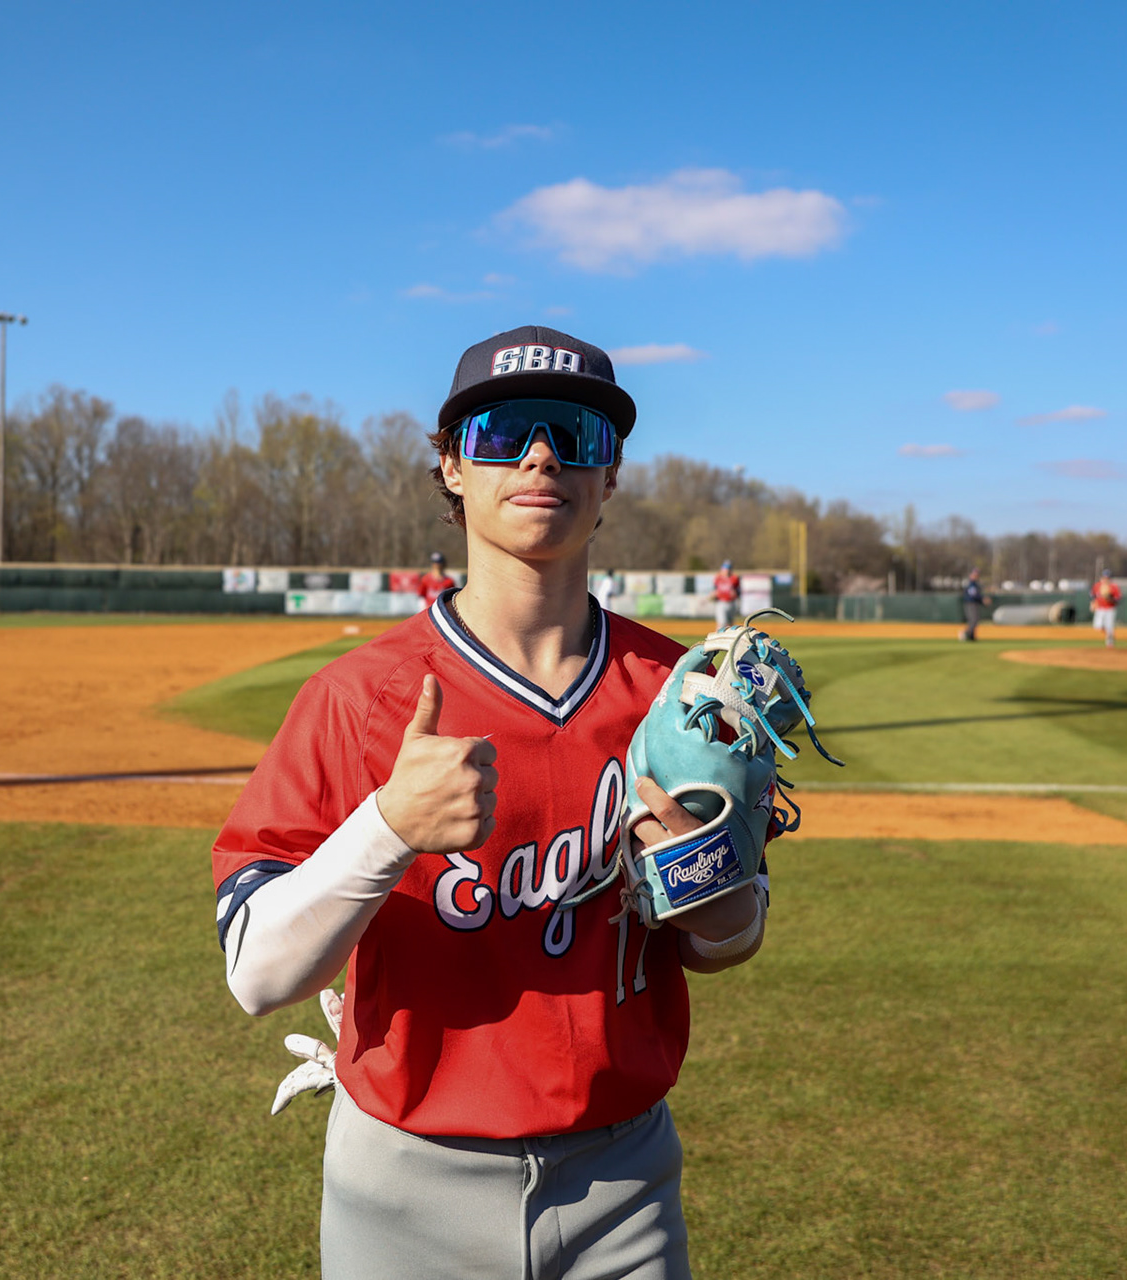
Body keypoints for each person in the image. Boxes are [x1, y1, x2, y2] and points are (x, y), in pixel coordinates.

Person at [211, 325, 765, 1279]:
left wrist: (708, 883)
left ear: (611, 473)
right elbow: (256, 975)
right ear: (452, 467)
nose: (541, 454)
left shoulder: (680, 695)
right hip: (404, 1187)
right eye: (505, 432)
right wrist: (386, 830)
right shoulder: (358, 699)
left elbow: (729, 940)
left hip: (625, 1182)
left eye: (574, 432)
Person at [1091, 568, 1123, 648]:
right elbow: (1093, 596)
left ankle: (1110, 643)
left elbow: (1118, 600)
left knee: (1109, 626)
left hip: (1110, 609)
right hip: (1100, 609)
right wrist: (1093, 604)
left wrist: (1110, 598)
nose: (1105, 579)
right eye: (1104, 577)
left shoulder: (1114, 587)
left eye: (1107, 577)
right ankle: (1109, 634)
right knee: (1097, 626)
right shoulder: (1097, 585)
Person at [960, 568, 989, 642]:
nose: (976, 576)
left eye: (977, 575)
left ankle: (972, 636)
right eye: (975, 574)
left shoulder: (975, 584)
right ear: (971, 575)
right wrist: (982, 599)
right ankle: (965, 633)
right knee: (973, 620)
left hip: (974, 603)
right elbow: (973, 595)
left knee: (974, 620)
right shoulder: (971, 584)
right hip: (970, 603)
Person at [711, 560, 739, 631]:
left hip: (731, 603)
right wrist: (713, 595)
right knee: (722, 623)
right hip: (721, 602)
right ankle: (717, 639)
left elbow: (738, 592)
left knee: (730, 624)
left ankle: (729, 640)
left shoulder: (734, 578)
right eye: (725, 569)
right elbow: (715, 590)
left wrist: (736, 593)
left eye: (728, 569)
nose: (727, 571)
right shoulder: (718, 578)